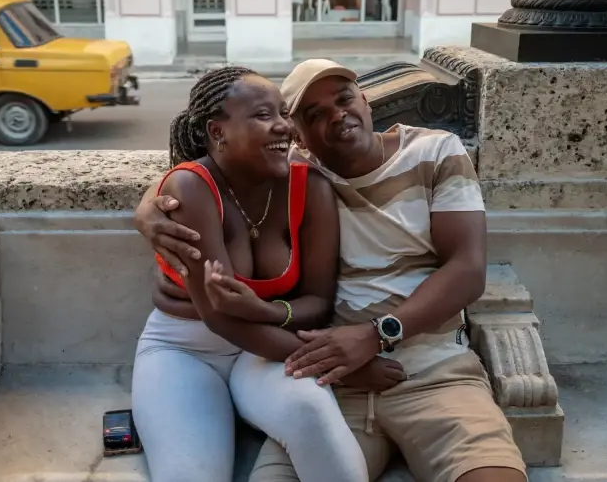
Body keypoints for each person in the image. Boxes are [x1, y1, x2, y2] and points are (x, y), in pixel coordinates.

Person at [135, 59, 528, 482]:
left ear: (367, 100)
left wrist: (375, 336)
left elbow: (468, 270)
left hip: (427, 369)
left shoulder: (431, 151)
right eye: (313, 114)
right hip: (323, 371)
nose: (337, 115)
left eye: (344, 99)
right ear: (302, 135)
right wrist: (147, 206)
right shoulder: (294, 166)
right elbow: (203, 175)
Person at [132, 66, 387, 482]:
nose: (283, 126)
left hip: (266, 351)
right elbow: (219, 316)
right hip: (185, 351)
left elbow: (318, 303)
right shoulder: (190, 189)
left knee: (311, 415)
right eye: (263, 115)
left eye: (284, 113)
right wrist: (347, 368)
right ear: (218, 132)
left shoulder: (310, 187)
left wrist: (271, 313)